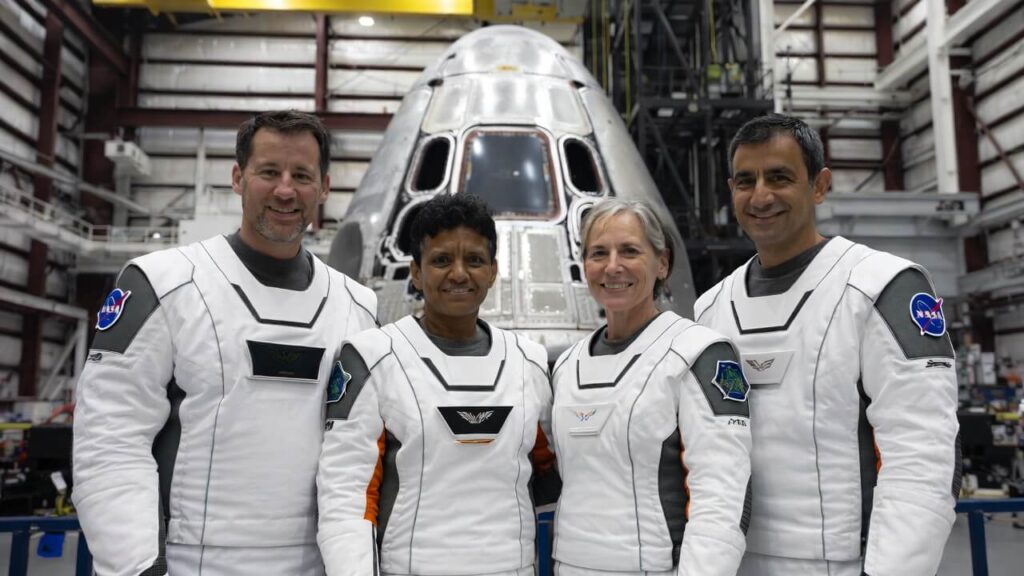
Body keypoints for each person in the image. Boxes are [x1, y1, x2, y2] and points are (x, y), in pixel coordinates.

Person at [73, 110, 378, 576]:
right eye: (269, 172)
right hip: (190, 563)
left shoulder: (357, 306)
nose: (285, 190)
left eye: (301, 176)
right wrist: (136, 565)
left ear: (324, 187)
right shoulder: (161, 284)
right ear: (238, 177)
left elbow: (360, 454)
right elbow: (109, 438)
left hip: (317, 563)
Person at [694, 114, 961, 576]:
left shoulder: (883, 287)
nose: (760, 196)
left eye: (779, 178)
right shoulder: (710, 309)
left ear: (819, 186)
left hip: (845, 562)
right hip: (733, 563)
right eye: (746, 181)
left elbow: (924, 456)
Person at [316, 192, 557, 576]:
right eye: (442, 260)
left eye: (474, 260)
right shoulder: (371, 357)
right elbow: (346, 496)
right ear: (416, 271)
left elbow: (550, 476)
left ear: (493, 271)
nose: (459, 274)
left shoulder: (528, 362)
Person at [550, 198, 753, 576]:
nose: (613, 267)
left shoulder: (699, 353)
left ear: (662, 263)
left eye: (629, 251)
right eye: (598, 253)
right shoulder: (566, 366)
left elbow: (723, 495)